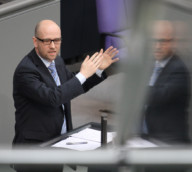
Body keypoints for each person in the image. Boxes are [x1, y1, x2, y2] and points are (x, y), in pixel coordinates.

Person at [12, 19, 118, 171]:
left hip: (57, 144)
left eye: (57, 40)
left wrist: (97, 71)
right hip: (35, 150)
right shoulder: (26, 71)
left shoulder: (57, 61)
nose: (53, 46)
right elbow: (53, 98)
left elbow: (72, 85)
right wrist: (82, 74)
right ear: (35, 41)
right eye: (47, 41)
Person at [142, 20, 191, 145]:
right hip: (147, 138)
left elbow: (156, 96)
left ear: (173, 42)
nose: (158, 46)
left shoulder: (180, 67)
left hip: (168, 144)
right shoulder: (151, 63)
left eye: (163, 41)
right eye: (154, 41)